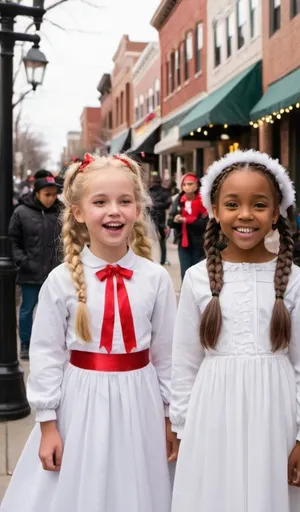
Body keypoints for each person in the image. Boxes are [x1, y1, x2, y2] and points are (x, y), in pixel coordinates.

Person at [0, 154, 178, 512]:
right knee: (86, 485)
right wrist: (48, 424)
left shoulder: (155, 278)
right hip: (81, 403)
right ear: (79, 211)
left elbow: (167, 354)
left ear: (138, 209)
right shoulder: (61, 280)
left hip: (140, 401)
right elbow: (47, 354)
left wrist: (170, 416)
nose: (114, 211)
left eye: (125, 201)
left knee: (135, 486)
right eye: (100, 202)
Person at [170, 150, 300, 512]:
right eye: (233, 204)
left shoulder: (295, 281)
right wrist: (184, 427)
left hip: (276, 415)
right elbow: (184, 362)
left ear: (275, 214)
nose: (246, 215)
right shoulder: (196, 278)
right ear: (215, 210)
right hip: (212, 412)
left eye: (259, 204)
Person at [9, 170, 64, 360]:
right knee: (27, 310)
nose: (51, 198)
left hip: (56, 273)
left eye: (54, 194)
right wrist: (23, 261)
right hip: (29, 273)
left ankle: (51, 344)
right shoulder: (21, 212)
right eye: (47, 194)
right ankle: (25, 343)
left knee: (53, 312)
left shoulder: (62, 211)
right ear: (37, 192)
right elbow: (12, 241)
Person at [168, 173, 207, 280]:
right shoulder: (179, 200)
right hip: (183, 242)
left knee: (198, 272)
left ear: (197, 185)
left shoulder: (203, 200)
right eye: (184, 185)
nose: (187, 187)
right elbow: (170, 222)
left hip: (199, 242)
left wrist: (187, 220)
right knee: (185, 273)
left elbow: (205, 223)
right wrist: (175, 220)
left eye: (190, 184)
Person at [149, 172, 172, 265]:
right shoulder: (148, 191)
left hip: (161, 218)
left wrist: (154, 205)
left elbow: (168, 202)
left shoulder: (164, 191)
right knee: (151, 239)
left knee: (162, 239)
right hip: (150, 217)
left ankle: (162, 258)